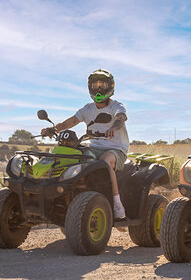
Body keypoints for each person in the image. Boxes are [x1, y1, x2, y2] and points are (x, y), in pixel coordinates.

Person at [41, 69, 129, 220]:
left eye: (103, 84)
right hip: (93, 146)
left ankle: (117, 204)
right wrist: (53, 129)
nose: (99, 89)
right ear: (90, 87)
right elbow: (72, 121)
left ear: (110, 86)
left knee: (105, 162)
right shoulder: (87, 109)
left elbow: (121, 118)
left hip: (115, 149)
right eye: (96, 85)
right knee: (72, 157)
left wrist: (113, 127)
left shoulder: (116, 106)